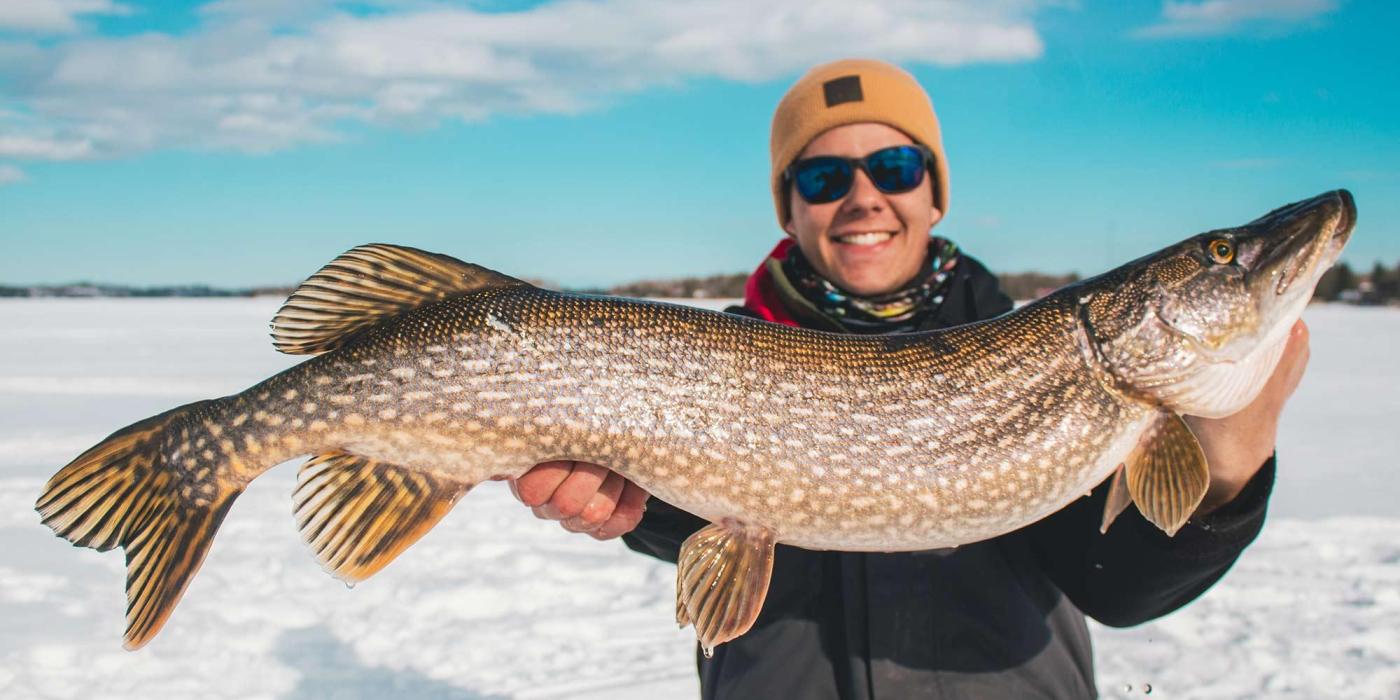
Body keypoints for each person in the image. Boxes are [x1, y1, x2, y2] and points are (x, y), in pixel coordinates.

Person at [510, 59, 1306, 698]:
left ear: (933, 194)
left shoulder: (1050, 364)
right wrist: (634, 504)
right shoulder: (712, 352)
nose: (864, 198)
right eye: (823, 178)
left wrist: (1233, 462)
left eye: (894, 166)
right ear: (788, 209)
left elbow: (1122, 590)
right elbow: (693, 528)